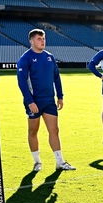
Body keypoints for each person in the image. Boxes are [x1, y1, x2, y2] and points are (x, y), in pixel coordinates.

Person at [17, 29, 75, 172]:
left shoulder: (49, 57)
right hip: (34, 102)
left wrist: (60, 96)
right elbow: (22, 82)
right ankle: (37, 162)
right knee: (33, 131)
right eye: (39, 39)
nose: (42, 41)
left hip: (49, 100)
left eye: (43, 38)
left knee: (54, 130)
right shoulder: (26, 58)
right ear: (31, 41)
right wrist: (30, 101)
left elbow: (56, 77)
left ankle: (60, 162)